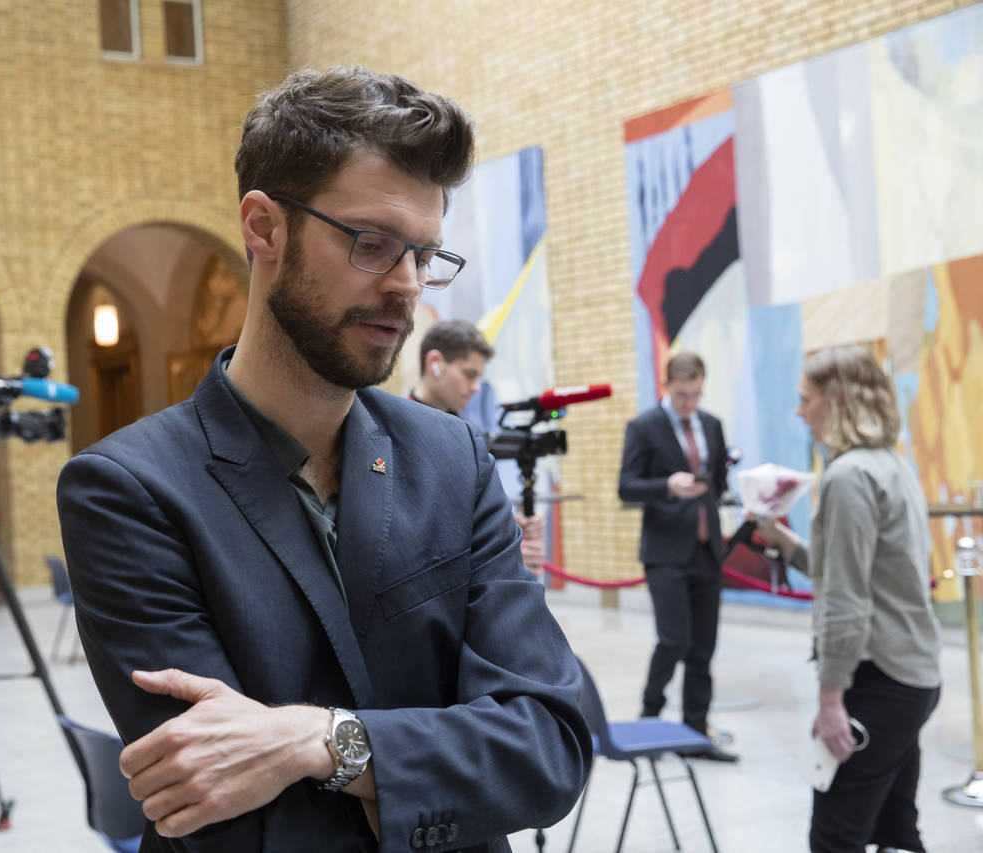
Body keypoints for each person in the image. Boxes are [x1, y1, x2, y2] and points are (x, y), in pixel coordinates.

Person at [58, 66, 592, 852]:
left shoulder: (455, 458)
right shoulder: (127, 490)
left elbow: (548, 746)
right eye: (372, 244)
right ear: (264, 227)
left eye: (426, 254)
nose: (408, 286)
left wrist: (314, 742)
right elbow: (227, 814)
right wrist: (438, 762)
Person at [752, 344, 940, 853]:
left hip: (877, 681)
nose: (798, 411)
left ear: (836, 400)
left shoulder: (849, 476)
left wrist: (831, 697)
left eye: (805, 398)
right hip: (912, 678)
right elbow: (854, 570)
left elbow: (845, 599)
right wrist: (784, 541)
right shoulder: (890, 465)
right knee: (897, 831)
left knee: (835, 838)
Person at [617, 351, 735, 761]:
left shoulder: (712, 425)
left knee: (703, 647)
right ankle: (649, 721)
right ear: (668, 386)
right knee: (673, 639)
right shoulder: (644, 426)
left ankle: (695, 732)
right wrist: (668, 485)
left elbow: (718, 483)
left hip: (707, 548)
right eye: (683, 395)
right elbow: (627, 487)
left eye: (696, 394)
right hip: (665, 550)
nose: (690, 403)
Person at [410, 319, 546, 572]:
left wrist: (506, 530)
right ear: (434, 363)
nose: (475, 388)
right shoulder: (391, 429)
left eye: (478, 378)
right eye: (469, 374)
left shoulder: (468, 436)